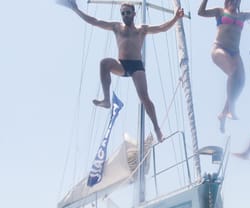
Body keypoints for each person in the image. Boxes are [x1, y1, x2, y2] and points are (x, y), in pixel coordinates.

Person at [67, 0, 185, 142]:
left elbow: (161, 28)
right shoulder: (116, 27)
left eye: (128, 13)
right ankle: (106, 100)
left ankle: (157, 128)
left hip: (136, 66)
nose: (125, 15)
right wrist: (77, 10)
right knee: (104, 63)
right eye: (123, 13)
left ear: (134, 14)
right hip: (121, 65)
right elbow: (95, 21)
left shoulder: (141, 29)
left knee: (144, 97)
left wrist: (175, 18)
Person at [197, 0, 250, 133]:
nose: (234, 2)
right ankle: (230, 107)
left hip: (235, 52)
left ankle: (223, 113)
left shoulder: (243, 16)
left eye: (237, 1)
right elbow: (200, 13)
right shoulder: (219, 12)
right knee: (233, 71)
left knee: (241, 81)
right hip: (219, 48)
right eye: (232, 0)